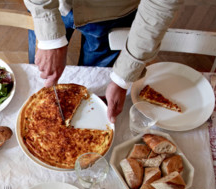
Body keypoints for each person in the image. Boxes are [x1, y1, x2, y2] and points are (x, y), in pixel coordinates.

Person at [24, 0, 183, 123]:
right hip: (46, 5)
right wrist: (50, 39)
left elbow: (160, 5)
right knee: (40, 84)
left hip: (112, 14)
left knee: (93, 91)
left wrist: (123, 76)